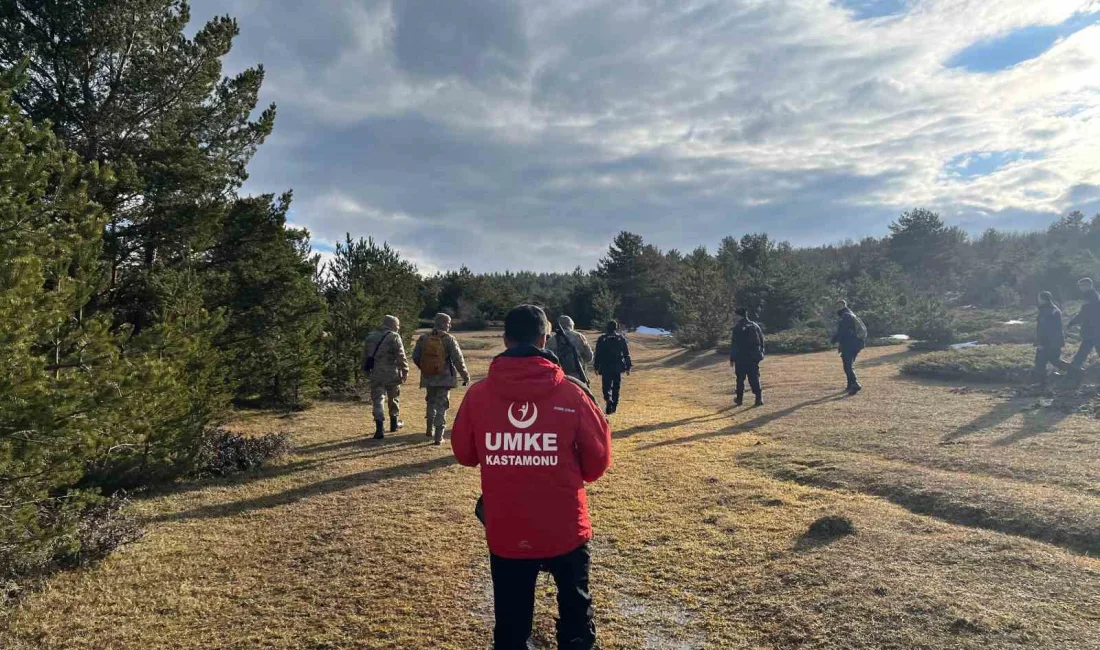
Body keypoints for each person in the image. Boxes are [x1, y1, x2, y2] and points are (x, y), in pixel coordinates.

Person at [451, 304, 612, 650]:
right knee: (576, 617)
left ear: (505, 339)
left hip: (508, 527)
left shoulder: (478, 396)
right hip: (566, 526)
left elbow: (464, 455)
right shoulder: (573, 394)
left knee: (510, 623)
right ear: (544, 339)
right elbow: (597, 465)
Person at [412, 313, 470, 445]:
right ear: (443, 323)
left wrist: (425, 368)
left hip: (428, 377)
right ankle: (438, 436)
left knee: (430, 401)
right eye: (448, 323)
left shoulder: (423, 338)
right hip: (444, 379)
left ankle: (428, 429)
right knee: (442, 405)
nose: (450, 325)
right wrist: (465, 375)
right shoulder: (449, 339)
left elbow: (415, 356)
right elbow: (458, 360)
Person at [361, 315, 408, 440]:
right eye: (397, 326)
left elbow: (365, 356)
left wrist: (365, 371)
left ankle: (379, 428)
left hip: (376, 373)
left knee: (378, 400)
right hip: (391, 373)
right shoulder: (394, 337)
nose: (398, 328)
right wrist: (405, 370)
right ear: (392, 325)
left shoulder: (370, 337)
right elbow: (401, 356)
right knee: (394, 398)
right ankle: (394, 424)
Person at [593, 320, 632, 415]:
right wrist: (628, 367)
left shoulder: (602, 338)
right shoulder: (620, 338)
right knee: (616, 386)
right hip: (617, 366)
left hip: (605, 366)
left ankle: (608, 399)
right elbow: (626, 354)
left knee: (606, 386)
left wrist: (596, 367)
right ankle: (614, 405)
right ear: (616, 328)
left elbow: (597, 354)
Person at [728, 307, 765, 407]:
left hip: (741, 358)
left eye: (735, 315)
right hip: (753, 358)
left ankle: (739, 399)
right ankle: (759, 398)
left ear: (738, 315)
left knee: (740, 379)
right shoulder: (755, 325)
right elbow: (761, 341)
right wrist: (761, 354)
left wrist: (732, 358)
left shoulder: (737, 328)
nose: (734, 317)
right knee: (754, 377)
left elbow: (735, 345)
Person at [831, 299, 868, 395]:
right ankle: (850, 385)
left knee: (848, 365)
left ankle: (855, 384)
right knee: (848, 364)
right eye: (837, 306)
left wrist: (835, 340)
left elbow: (843, 331)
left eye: (839, 306)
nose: (838, 308)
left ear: (844, 305)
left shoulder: (846, 316)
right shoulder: (849, 314)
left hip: (850, 344)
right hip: (855, 343)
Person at [1067, 277, 1100, 384]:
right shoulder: (1092, 296)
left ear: (1089, 285)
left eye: (1082, 285)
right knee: (1082, 353)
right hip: (1093, 331)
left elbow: (1084, 314)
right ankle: (1071, 374)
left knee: (1082, 353)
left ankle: (1071, 375)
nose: (1081, 288)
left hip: (1093, 331)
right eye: (1080, 286)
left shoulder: (1091, 297)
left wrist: (1072, 322)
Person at [545, 315, 594, 385]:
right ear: (571, 324)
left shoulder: (551, 340)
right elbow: (589, 357)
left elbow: (547, 362)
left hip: (558, 379)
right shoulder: (579, 337)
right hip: (578, 378)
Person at [1034, 291, 1068, 386]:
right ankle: (1074, 371)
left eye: (1039, 298)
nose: (1038, 300)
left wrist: (1041, 343)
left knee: (1040, 362)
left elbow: (1044, 329)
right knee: (1054, 360)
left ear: (1043, 299)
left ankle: (1040, 382)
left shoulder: (1047, 311)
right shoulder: (1053, 309)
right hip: (1055, 341)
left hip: (1048, 342)